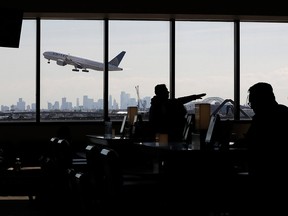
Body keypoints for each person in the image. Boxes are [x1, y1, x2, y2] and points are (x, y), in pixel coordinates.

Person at [243, 82, 288, 214]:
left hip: (264, 175)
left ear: (260, 100)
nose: (252, 107)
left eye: (252, 102)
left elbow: (250, 141)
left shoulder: (262, 118)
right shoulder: (283, 112)